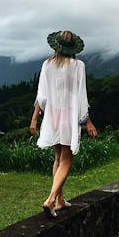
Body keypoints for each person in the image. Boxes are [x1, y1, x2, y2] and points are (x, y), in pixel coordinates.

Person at [30, 30, 98, 219]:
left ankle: (60, 201)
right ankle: (51, 199)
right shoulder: (78, 65)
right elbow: (81, 96)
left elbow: (41, 96)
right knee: (67, 158)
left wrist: (35, 118)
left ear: (56, 46)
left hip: (52, 115)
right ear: (73, 47)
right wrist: (88, 122)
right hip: (69, 115)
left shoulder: (47, 64)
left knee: (58, 157)